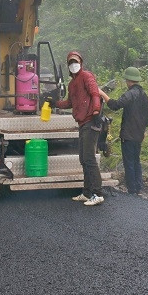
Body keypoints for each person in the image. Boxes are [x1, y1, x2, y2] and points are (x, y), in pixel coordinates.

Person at [54, 51, 105, 206]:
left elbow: (95, 93)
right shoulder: (72, 84)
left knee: (89, 159)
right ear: (68, 66)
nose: (73, 65)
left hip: (91, 121)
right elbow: (70, 102)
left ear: (81, 63)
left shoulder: (87, 77)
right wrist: (54, 103)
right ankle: (87, 192)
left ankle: (97, 193)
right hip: (82, 123)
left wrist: (96, 111)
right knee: (83, 159)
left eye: (75, 62)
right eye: (70, 62)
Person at [99, 66, 148, 195]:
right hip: (138, 135)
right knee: (136, 160)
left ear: (128, 80)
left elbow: (115, 105)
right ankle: (139, 188)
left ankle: (131, 189)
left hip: (128, 135)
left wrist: (102, 94)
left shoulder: (130, 94)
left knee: (128, 161)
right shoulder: (144, 96)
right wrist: (142, 130)